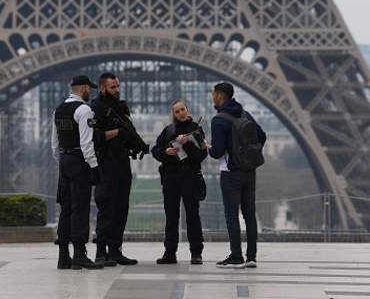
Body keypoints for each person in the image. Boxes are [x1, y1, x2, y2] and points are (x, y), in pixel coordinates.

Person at [91, 72, 148, 266]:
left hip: (122, 162)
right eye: (112, 87)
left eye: (117, 86)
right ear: (102, 88)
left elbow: (129, 131)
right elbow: (94, 137)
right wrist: (117, 132)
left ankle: (115, 250)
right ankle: (101, 252)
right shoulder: (95, 107)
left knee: (121, 208)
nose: (116, 90)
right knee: (106, 207)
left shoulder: (121, 108)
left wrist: (138, 143)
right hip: (106, 163)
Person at [209, 82, 266, 269]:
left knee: (231, 215)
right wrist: (247, 156)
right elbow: (262, 136)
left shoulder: (219, 120)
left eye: (213, 94)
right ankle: (251, 257)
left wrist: (207, 147)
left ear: (219, 95)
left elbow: (217, 152)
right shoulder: (244, 114)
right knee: (249, 215)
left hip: (230, 172)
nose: (212, 97)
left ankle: (236, 256)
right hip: (249, 172)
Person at [51, 75, 104, 270]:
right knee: (80, 208)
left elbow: (54, 145)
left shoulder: (58, 110)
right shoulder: (84, 110)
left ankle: (63, 256)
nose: (90, 92)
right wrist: (94, 166)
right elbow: (86, 143)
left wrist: (63, 162)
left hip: (65, 160)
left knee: (65, 208)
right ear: (83, 89)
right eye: (89, 88)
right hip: (79, 160)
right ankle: (80, 255)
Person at [151, 99, 207, 265]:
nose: (181, 113)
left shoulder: (197, 131)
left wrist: (187, 144)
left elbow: (202, 156)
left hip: (189, 176)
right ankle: (170, 252)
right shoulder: (168, 130)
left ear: (187, 110)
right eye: (177, 111)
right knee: (171, 216)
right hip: (171, 177)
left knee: (192, 215)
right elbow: (155, 150)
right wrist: (166, 151)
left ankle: (196, 253)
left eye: (182, 109)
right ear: (174, 114)